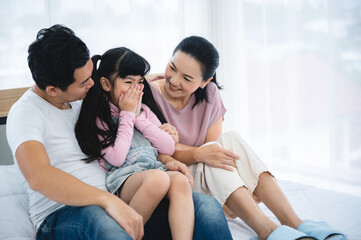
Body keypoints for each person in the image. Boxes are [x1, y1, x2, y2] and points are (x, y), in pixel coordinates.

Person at [6, 25, 233, 240]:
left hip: (124, 201)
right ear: (53, 90)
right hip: (65, 215)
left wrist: (164, 158)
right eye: (85, 81)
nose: (93, 84)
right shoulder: (26, 113)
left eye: (92, 75)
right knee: (98, 219)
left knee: (207, 208)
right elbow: (38, 176)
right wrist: (107, 201)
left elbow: (133, 137)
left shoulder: (85, 98)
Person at [147, 36, 347, 240]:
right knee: (216, 152)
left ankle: (293, 222)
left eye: (187, 78)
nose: (173, 80)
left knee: (228, 140)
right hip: (176, 176)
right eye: (172, 67)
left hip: (209, 175)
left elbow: (214, 149)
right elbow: (159, 151)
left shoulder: (210, 93)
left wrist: (204, 154)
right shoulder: (150, 95)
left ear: (205, 81)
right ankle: (266, 229)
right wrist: (199, 153)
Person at [75, 47, 194, 240]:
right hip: (124, 179)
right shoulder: (100, 118)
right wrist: (127, 115)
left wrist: (138, 117)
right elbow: (117, 158)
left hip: (154, 170)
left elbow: (168, 147)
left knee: (180, 181)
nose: (135, 88)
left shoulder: (144, 112)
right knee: (159, 179)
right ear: (106, 84)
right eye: (128, 82)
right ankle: (125, 236)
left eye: (139, 82)